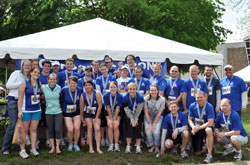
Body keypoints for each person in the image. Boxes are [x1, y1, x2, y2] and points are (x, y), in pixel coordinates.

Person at [2, 60, 31, 155]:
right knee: (13, 124)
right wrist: (22, 84)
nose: (27, 67)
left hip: (22, 103)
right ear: (22, 66)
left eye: (29, 65)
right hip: (13, 101)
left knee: (20, 125)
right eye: (25, 65)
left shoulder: (29, 77)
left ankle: (17, 144)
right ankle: (5, 147)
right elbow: (8, 85)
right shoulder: (16, 73)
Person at [17, 67, 41, 159]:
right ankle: (22, 150)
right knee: (24, 131)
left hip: (36, 110)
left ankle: (33, 148)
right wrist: (19, 111)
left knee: (34, 129)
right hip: (26, 110)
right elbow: (20, 98)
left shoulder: (39, 83)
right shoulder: (24, 83)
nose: (36, 74)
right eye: (35, 72)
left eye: (38, 73)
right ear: (30, 73)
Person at [188, 91, 214, 163]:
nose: (199, 99)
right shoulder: (192, 106)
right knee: (197, 153)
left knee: (209, 130)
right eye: (197, 97)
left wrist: (199, 128)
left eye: (201, 97)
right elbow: (189, 119)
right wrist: (193, 127)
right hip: (196, 128)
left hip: (205, 127)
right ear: (195, 98)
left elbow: (210, 122)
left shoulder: (209, 106)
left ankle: (209, 154)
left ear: (205, 98)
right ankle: (206, 146)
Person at [95, 63, 117, 146]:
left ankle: (108, 138)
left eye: (105, 69)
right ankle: (102, 139)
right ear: (100, 70)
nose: (104, 71)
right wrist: (102, 100)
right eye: (102, 69)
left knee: (108, 122)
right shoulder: (98, 79)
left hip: (110, 102)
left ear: (108, 69)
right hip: (101, 102)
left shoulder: (112, 78)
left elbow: (114, 90)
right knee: (102, 123)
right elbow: (98, 91)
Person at [80, 80, 103, 154]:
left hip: (96, 112)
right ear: (84, 87)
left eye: (89, 85)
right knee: (89, 128)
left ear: (92, 86)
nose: (87, 87)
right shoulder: (82, 95)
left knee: (97, 128)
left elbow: (100, 105)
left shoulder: (97, 93)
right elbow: (81, 107)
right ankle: (91, 148)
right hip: (87, 113)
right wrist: (82, 118)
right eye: (86, 85)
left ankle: (98, 147)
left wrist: (96, 117)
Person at [42, 73, 63, 154]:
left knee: (57, 129)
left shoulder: (59, 88)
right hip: (48, 112)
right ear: (48, 80)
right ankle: (52, 147)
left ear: (56, 80)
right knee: (50, 130)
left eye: (54, 79)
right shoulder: (43, 88)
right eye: (50, 79)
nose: (52, 81)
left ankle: (57, 147)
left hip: (58, 111)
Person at [61, 76, 82, 152]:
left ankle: (76, 144)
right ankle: (70, 144)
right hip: (67, 112)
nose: (73, 85)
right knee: (70, 129)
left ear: (77, 83)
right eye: (71, 83)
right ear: (68, 83)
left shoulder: (80, 90)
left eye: (74, 83)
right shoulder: (64, 90)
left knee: (76, 128)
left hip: (77, 111)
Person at [122, 83, 144, 154]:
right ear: (128, 90)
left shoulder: (140, 97)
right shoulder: (125, 97)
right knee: (129, 127)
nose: (132, 91)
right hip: (129, 114)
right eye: (130, 89)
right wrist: (132, 118)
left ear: (136, 90)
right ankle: (128, 146)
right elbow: (126, 109)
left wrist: (135, 118)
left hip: (138, 114)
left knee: (137, 127)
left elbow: (139, 109)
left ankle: (138, 146)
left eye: (134, 89)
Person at [144, 85, 165, 153]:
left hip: (158, 117)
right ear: (149, 91)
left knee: (156, 132)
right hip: (148, 116)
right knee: (148, 131)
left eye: (155, 90)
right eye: (151, 90)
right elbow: (146, 112)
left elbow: (159, 113)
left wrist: (154, 124)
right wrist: (150, 123)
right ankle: (151, 145)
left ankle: (157, 145)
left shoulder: (162, 99)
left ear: (158, 91)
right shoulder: (145, 99)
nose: (153, 92)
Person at [103, 82, 123, 152]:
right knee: (110, 125)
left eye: (114, 87)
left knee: (116, 125)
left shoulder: (120, 96)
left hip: (117, 112)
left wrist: (115, 118)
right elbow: (107, 107)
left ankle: (116, 144)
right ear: (109, 88)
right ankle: (111, 144)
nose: (113, 89)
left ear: (117, 88)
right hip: (108, 112)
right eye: (111, 87)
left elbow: (118, 108)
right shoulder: (105, 96)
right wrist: (111, 118)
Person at [39, 60, 52, 147]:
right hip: (38, 104)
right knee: (37, 124)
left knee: (48, 123)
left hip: (48, 104)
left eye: (48, 66)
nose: (47, 67)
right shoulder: (38, 76)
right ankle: (36, 141)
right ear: (42, 67)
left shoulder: (51, 77)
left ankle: (48, 140)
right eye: (45, 66)